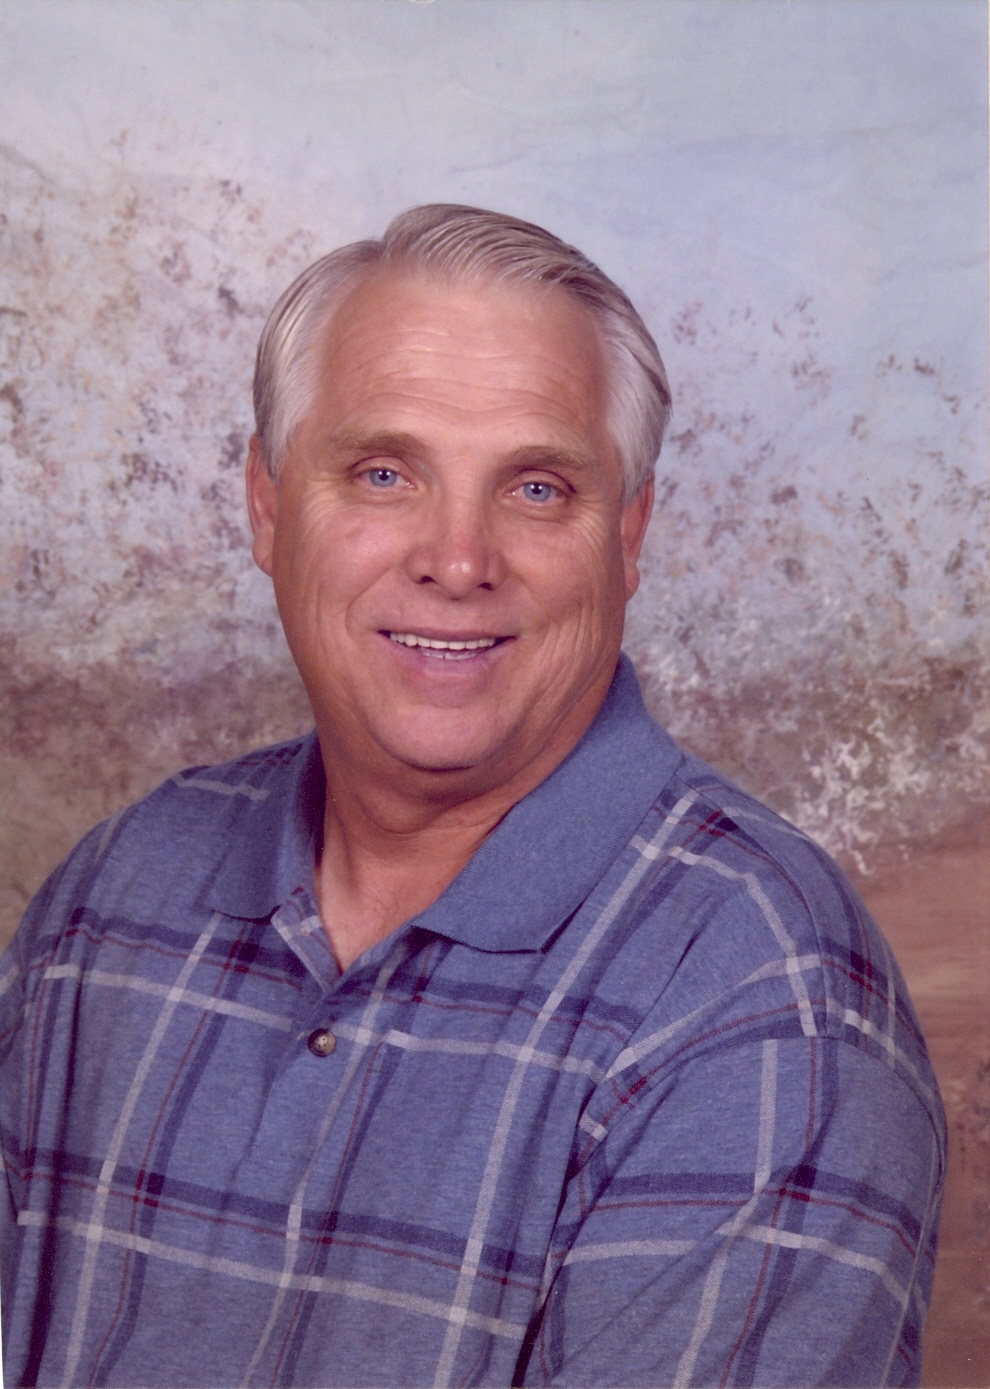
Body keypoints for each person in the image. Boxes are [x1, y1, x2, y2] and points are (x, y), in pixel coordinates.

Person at [0, 205, 944, 1388]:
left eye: (536, 489)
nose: (457, 560)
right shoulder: (114, 898)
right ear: (267, 507)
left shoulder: (761, 999)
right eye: (384, 474)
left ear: (630, 537)